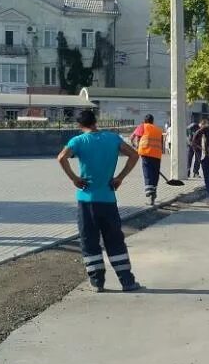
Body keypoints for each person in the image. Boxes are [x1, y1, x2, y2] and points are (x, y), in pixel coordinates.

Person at [58, 108, 142, 292]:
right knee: (114, 239)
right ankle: (127, 281)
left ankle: (97, 282)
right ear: (95, 121)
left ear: (79, 125)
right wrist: (119, 177)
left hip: (86, 199)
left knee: (89, 240)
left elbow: (61, 157)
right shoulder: (112, 139)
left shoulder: (78, 141)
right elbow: (134, 155)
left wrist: (74, 178)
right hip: (108, 198)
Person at [130, 113, 164, 205]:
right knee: (155, 173)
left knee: (148, 173)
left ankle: (149, 193)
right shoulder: (158, 129)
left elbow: (132, 137)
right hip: (157, 154)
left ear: (145, 121)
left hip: (146, 152)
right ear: (153, 121)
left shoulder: (142, 126)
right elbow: (162, 143)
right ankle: (153, 193)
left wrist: (136, 147)